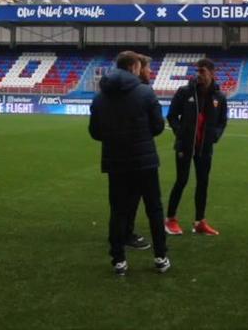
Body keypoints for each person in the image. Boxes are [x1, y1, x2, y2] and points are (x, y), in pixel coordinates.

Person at [89, 51, 170, 275]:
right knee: (154, 208)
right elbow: (158, 127)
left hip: (116, 161)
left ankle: (118, 261)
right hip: (144, 161)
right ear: (134, 66)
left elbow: (95, 132)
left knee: (118, 211)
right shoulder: (145, 93)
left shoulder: (100, 96)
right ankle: (161, 257)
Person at [164, 58, 228, 236]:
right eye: (197, 71)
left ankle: (200, 222)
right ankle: (170, 219)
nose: (198, 75)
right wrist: (181, 133)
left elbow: (222, 121)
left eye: (202, 71)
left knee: (203, 183)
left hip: (205, 147)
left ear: (212, 73)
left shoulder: (219, 97)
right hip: (185, 145)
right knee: (181, 181)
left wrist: (214, 136)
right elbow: (171, 116)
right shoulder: (185, 92)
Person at [123, 54, 155, 251]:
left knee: (119, 197)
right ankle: (127, 234)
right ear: (137, 69)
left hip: (115, 154)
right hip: (138, 154)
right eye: (148, 68)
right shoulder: (143, 93)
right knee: (136, 197)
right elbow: (157, 125)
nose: (150, 71)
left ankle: (119, 234)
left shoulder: (110, 91)